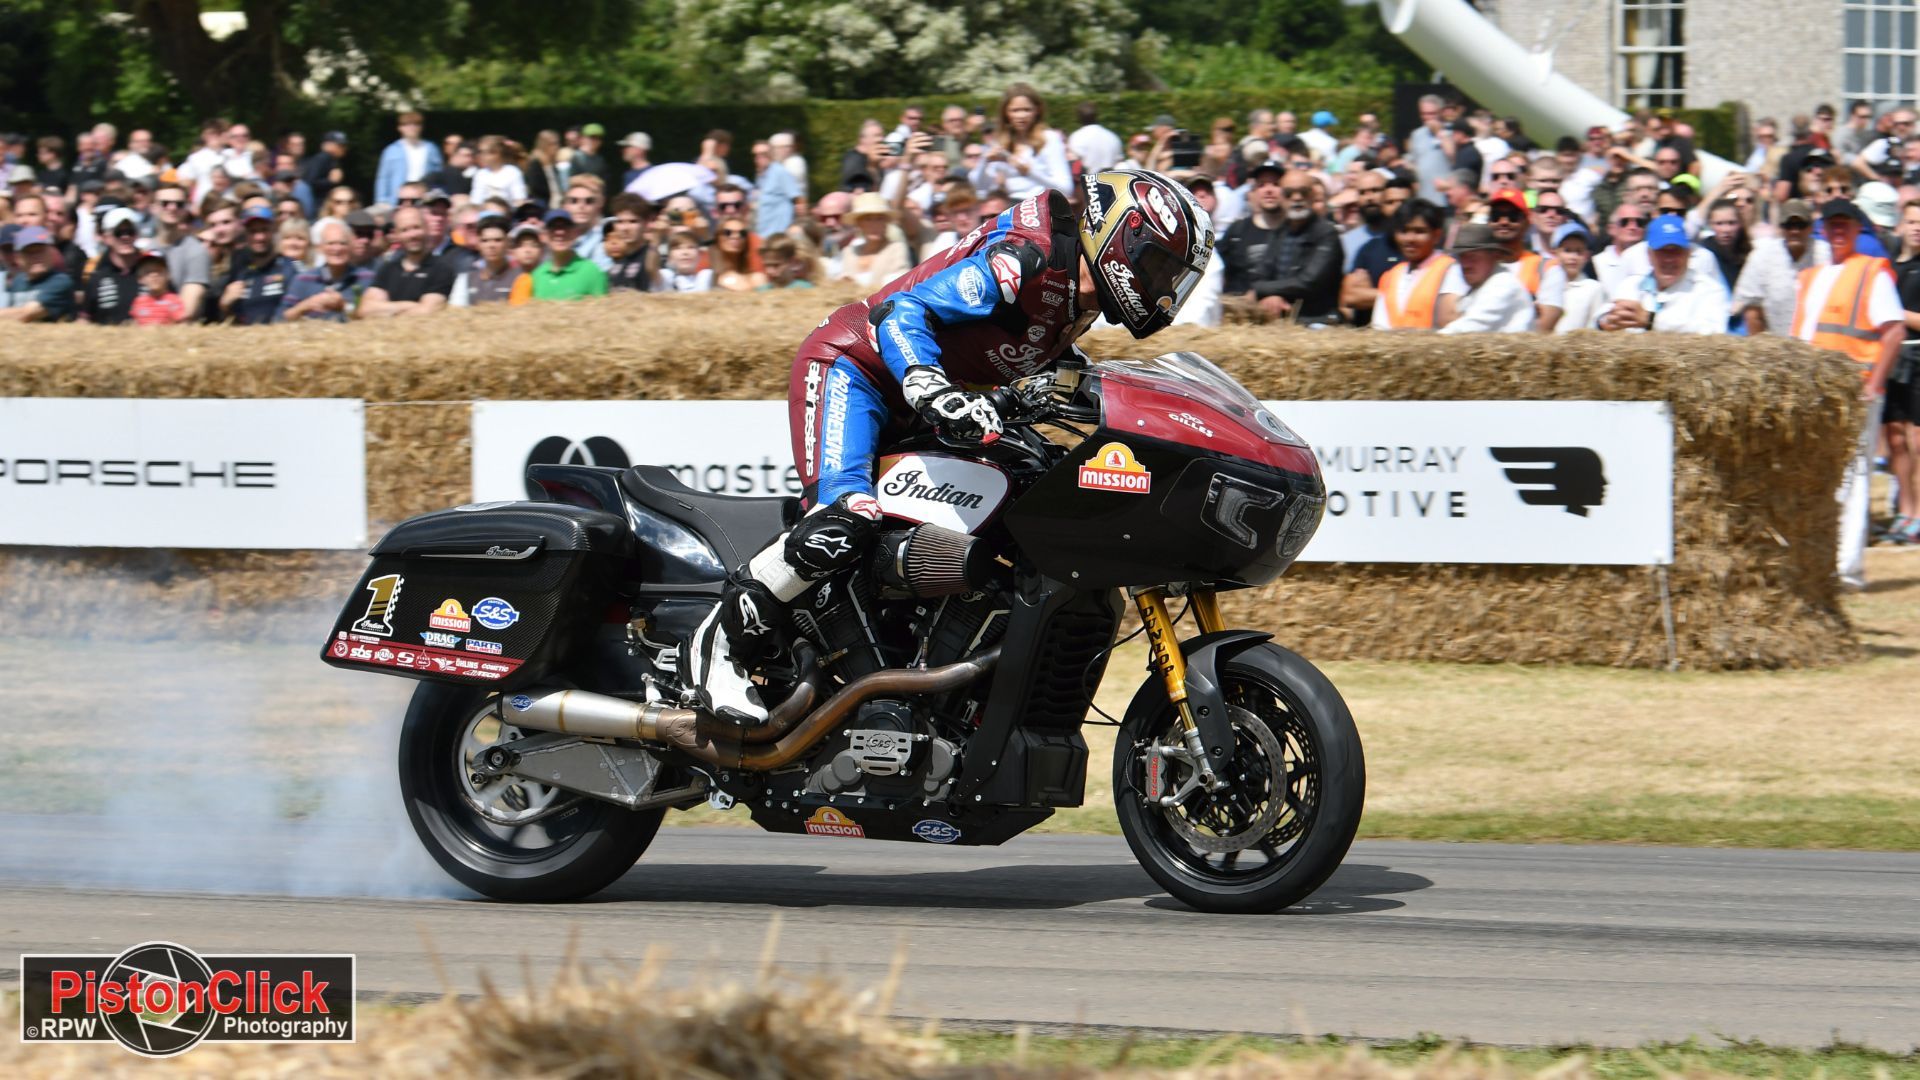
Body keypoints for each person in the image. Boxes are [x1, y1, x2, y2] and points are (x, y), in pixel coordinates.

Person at [681, 172, 1212, 725]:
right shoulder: (1025, 261)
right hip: (857, 371)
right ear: (1120, 237)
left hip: (924, 401)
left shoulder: (1083, 299)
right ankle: (718, 643)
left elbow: (1029, 365)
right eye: (1158, 267)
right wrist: (928, 385)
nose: (1164, 287)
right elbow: (903, 314)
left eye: (1175, 278)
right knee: (847, 519)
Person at [1791, 199, 1905, 587]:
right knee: (1819, 477)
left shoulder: (1873, 274)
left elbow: (1894, 332)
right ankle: (1820, 561)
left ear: (1857, 229)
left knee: (1853, 478)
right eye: (1832, 224)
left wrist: (1874, 385)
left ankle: (1848, 570)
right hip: (1814, 393)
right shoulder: (1811, 277)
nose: (1838, 231)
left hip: (1855, 392)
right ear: (1822, 229)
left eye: (1845, 224)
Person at [1597, 214, 1730, 335]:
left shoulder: (1710, 290)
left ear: (1688, 254)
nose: (1669, 259)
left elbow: (1714, 333)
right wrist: (1608, 320)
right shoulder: (1631, 285)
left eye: (1675, 251)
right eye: (1662, 251)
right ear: (1649, 255)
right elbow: (1601, 317)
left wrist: (1651, 320)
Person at [1248, 170, 1341, 323]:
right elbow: (1260, 274)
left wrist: (1262, 290)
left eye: (1303, 192)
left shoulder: (1327, 233)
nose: (1297, 198)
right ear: (1282, 198)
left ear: (1313, 196)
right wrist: (1271, 296)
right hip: (1282, 321)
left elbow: (1309, 282)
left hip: (1318, 320)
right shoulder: (1279, 232)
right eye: (1289, 193)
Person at [1734, 199, 1831, 334]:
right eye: (1789, 225)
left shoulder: (1827, 255)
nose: (1794, 231)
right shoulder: (1762, 256)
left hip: (1819, 344)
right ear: (1781, 227)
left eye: (1800, 225)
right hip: (1777, 346)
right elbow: (1752, 311)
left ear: (1811, 227)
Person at [1370, 199, 1464, 329]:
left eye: (1419, 231)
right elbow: (1379, 325)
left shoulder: (1451, 270)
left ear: (1436, 235)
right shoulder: (1390, 276)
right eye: (1403, 231)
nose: (1410, 239)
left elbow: (1452, 323)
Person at [968, 83, 1072, 199]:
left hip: (1042, 207)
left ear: (1037, 111)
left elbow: (1066, 189)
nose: (1021, 116)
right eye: (1015, 110)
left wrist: (1028, 172)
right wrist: (985, 161)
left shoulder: (1049, 138)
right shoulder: (1001, 143)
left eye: (1027, 110)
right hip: (1012, 209)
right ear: (1006, 113)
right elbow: (979, 187)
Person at [1485, 187, 1566, 332]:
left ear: (1527, 222)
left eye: (1513, 216)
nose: (1504, 222)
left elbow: (1543, 327)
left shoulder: (1547, 268)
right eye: (1496, 215)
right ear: (1489, 222)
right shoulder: (1477, 266)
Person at [1439, 224, 1533, 334]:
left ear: (1494, 256)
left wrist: (1433, 341)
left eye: (1473, 257)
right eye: (1462, 257)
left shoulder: (1503, 285)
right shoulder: (1481, 286)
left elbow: (1471, 326)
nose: (1465, 264)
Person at [360, 206, 453, 317]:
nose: (412, 235)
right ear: (397, 235)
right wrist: (410, 305)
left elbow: (427, 312)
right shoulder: (388, 269)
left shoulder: (441, 269)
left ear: (427, 229)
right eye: (405, 230)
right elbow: (365, 309)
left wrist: (386, 309)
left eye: (416, 227)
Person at [282, 218, 373, 321]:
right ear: (320, 248)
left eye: (342, 243)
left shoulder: (366, 278)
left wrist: (344, 306)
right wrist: (306, 306)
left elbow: (376, 316)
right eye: (331, 243)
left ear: (351, 247)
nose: (337, 249)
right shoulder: (303, 280)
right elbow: (281, 319)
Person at [219, 206, 297, 325]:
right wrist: (224, 305)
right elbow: (229, 323)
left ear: (274, 231)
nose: (259, 237)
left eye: (264, 230)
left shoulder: (289, 267)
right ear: (245, 234)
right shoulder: (237, 267)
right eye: (253, 231)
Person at [80, 207, 145, 324]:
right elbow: (84, 319)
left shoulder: (153, 270)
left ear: (137, 235)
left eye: (130, 231)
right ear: (106, 238)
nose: (125, 237)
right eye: (118, 232)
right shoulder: (96, 278)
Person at [529, 209, 608, 301]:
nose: (560, 232)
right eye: (553, 227)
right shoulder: (537, 276)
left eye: (565, 227)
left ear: (575, 233)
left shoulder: (592, 272)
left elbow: (602, 311)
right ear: (543, 236)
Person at [0, 226, 74, 322]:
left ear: (52, 252)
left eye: (41, 250)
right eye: (29, 252)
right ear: (18, 258)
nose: (36, 256)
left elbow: (26, 314)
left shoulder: (60, 282)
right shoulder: (18, 281)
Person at [837, 192, 910, 288]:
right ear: (859, 224)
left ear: (886, 222)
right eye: (868, 219)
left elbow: (899, 281)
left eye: (879, 219)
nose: (874, 225)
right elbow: (842, 282)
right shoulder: (850, 252)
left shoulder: (896, 249)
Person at [375, 111, 443, 208]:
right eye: (407, 124)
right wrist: (381, 200)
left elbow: (438, 175)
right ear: (400, 128)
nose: (412, 128)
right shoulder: (391, 150)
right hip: (397, 199)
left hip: (425, 196)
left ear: (421, 127)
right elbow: (383, 177)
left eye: (416, 124)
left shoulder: (431, 148)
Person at [1551, 223, 1607, 333]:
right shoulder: (1546, 285)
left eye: (1579, 251)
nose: (1573, 257)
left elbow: (1595, 329)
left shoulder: (1594, 288)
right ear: (1555, 253)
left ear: (1587, 256)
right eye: (1567, 250)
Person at [753, 140, 802, 238]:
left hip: (779, 235)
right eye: (756, 154)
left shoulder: (780, 172)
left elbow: (799, 200)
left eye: (764, 154)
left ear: (771, 154)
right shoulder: (760, 177)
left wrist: (798, 228)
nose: (760, 157)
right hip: (763, 234)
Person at [129, 250, 186, 325]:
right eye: (148, 272)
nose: (154, 275)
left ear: (168, 275)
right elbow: (134, 324)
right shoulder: (138, 302)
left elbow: (181, 324)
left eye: (158, 271)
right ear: (140, 279)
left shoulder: (174, 300)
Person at [1067, 102, 1123, 173]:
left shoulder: (1076, 137)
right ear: (1096, 116)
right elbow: (1120, 164)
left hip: (1087, 182)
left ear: (1078, 118)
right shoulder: (1113, 137)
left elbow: (1073, 166)